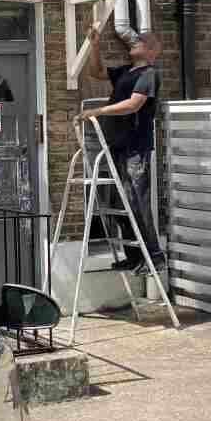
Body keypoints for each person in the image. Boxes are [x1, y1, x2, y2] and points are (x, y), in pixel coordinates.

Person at [79, 27, 165, 276]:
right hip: (117, 144)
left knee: (137, 200)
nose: (134, 42)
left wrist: (99, 111)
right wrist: (95, 46)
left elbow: (133, 104)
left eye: (140, 41)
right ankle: (134, 256)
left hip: (135, 147)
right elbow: (96, 72)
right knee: (118, 201)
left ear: (151, 49)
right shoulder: (127, 71)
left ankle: (154, 258)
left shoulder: (149, 74)